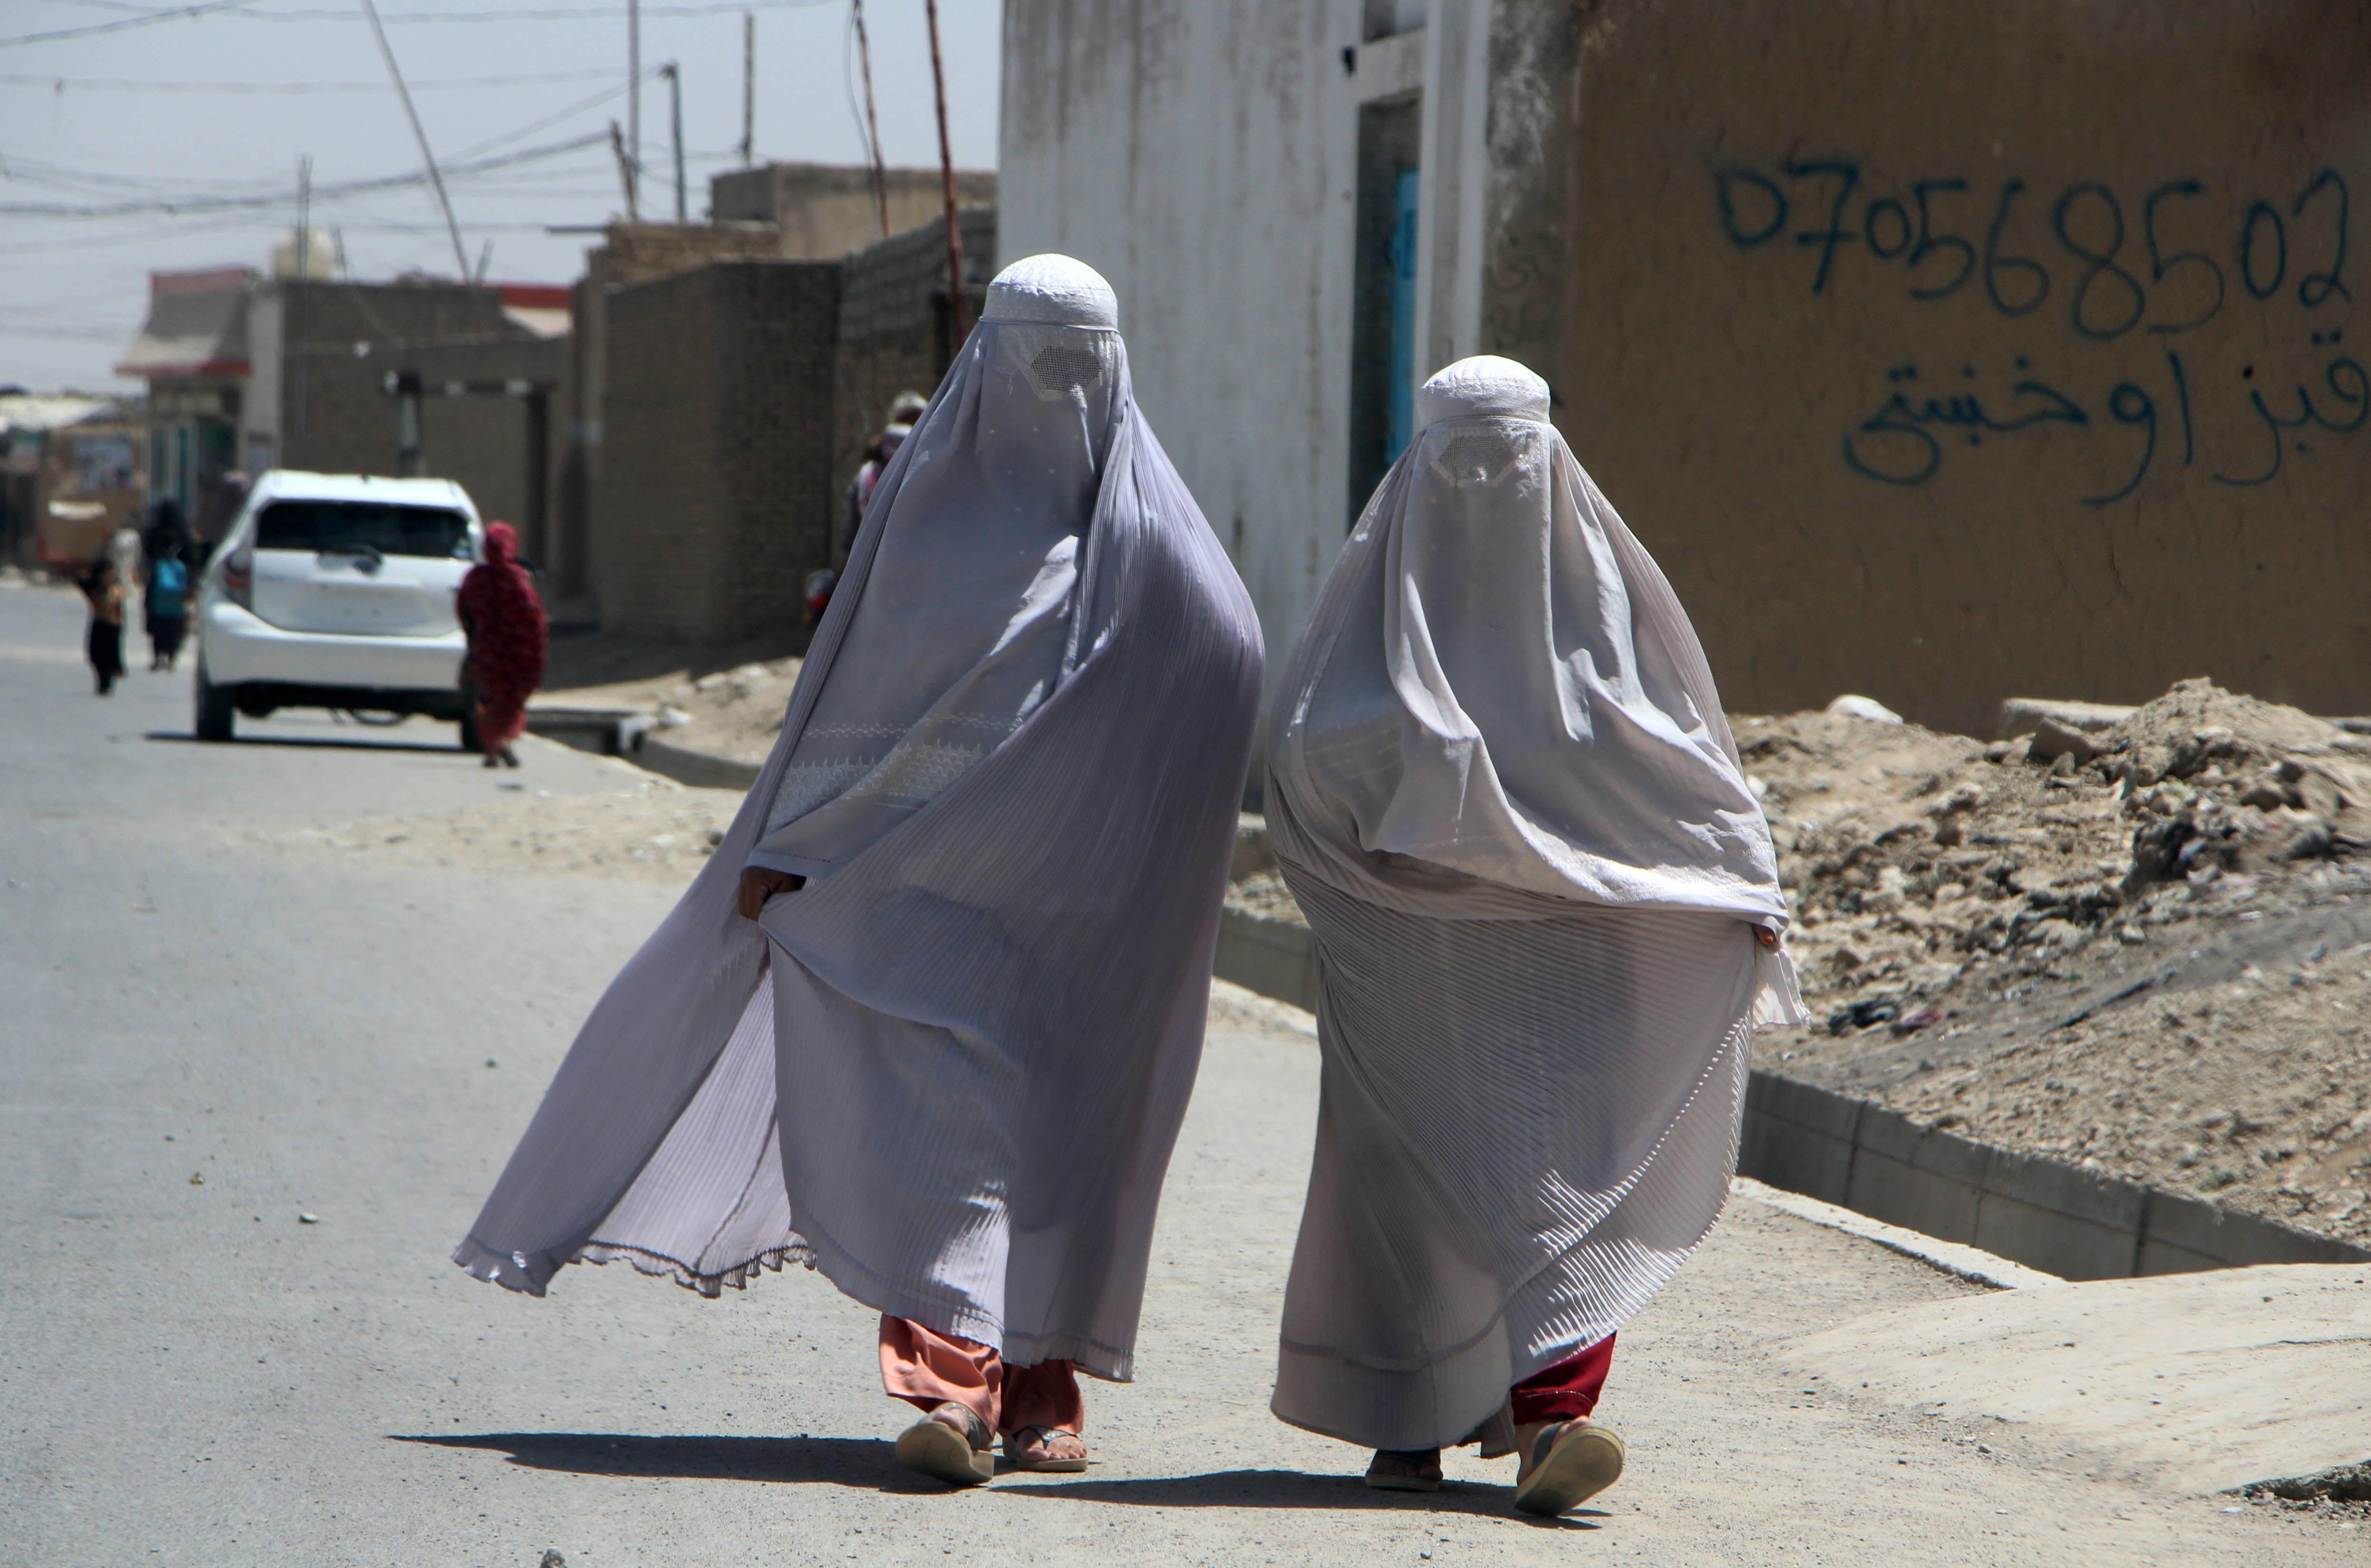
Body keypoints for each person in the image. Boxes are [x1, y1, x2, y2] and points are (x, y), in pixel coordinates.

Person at [454, 255, 1263, 1488]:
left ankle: (1037, 1388)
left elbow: (1222, 676)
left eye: (1075, 365)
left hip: (1075, 922)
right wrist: (791, 853)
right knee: (953, 1141)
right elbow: (854, 707)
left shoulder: (1155, 553)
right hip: (919, 908)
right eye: (1035, 361)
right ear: (984, 366)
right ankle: (955, 1387)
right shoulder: (924, 532)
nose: (1055, 392)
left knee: (1050, 1151)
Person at [1263, 356, 1801, 1517]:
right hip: (1409, 962)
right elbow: (1300, 769)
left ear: (1548, 460)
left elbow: (1687, 778)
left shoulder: (1611, 629)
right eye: (1462, 456)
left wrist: (1738, 885)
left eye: (1506, 458)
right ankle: (1410, 1418)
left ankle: (1554, 1414)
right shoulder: (1371, 629)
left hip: (1572, 966)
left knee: (1561, 1181)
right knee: (1405, 1187)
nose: (1486, 482)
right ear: (1419, 465)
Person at [454, 521, 546, 769]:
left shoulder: (476, 578)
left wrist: (475, 637)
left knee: (487, 697)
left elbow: (463, 611)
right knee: (509, 698)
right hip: (517, 652)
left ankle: (496, 746)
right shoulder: (518, 579)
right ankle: (501, 744)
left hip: (487, 651)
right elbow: (533, 618)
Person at [837, 389, 929, 564]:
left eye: (917, 421)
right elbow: (851, 541)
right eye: (906, 421)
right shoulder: (867, 479)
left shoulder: (934, 471)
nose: (910, 430)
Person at [142, 501, 191, 672]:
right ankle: (172, 658)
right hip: (178, 585)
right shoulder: (183, 534)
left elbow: (147, 554)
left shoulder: (154, 532)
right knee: (175, 626)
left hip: (157, 583)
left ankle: (157, 658)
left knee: (157, 624)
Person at [82, 557, 126, 696]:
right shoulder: (94, 589)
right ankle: (102, 683)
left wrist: (121, 625)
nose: (110, 576)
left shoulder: (116, 590)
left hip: (112, 627)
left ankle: (106, 686)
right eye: (106, 573)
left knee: (110, 659)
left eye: (111, 573)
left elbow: (120, 610)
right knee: (96, 656)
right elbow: (81, 581)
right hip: (99, 626)